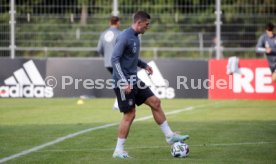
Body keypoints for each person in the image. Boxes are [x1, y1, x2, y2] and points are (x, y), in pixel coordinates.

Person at [111, 11, 189, 159]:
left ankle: (170, 136)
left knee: (155, 102)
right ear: (139, 23)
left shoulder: (135, 37)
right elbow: (115, 59)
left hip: (134, 80)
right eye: (147, 24)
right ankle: (118, 151)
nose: (148, 27)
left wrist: (144, 65)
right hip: (123, 82)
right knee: (130, 114)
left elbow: (131, 57)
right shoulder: (124, 37)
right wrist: (124, 81)